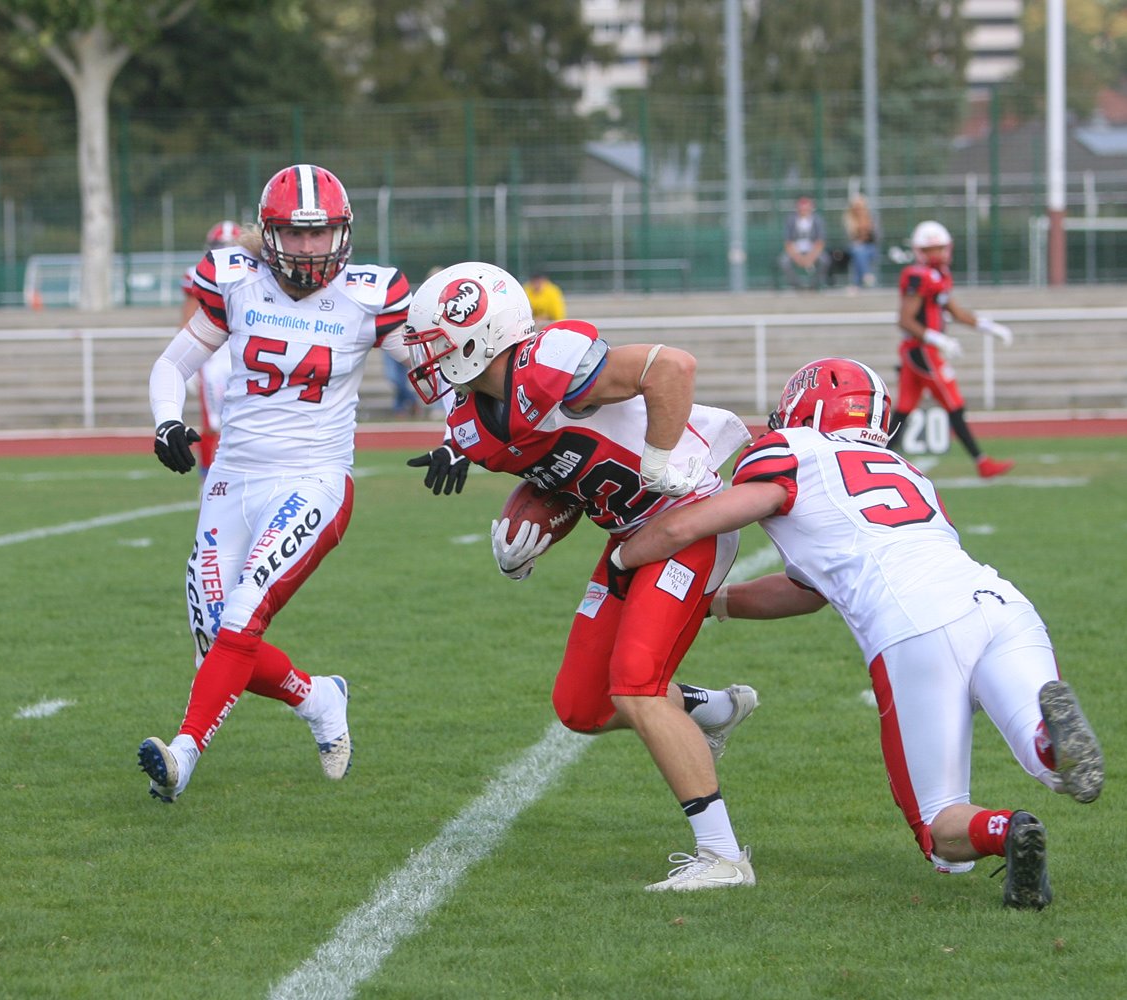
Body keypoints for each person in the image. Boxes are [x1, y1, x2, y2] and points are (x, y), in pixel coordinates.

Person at [613, 357, 1104, 909]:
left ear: (806, 405)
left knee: (939, 825)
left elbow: (690, 524)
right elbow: (808, 590)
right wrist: (716, 603)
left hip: (914, 628)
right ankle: (1050, 742)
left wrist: (626, 558)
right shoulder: (907, 471)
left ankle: (1007, 828)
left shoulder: (789, 450)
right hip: (1003, 606)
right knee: (1049, 760)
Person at [403, 261, 762, 891]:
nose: (426, 356)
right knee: (581, 706)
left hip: (689, 519)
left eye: (436, 340)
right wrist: (526, 539)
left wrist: (658, 461)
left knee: (637, 686)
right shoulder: (472, 424)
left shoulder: (548, 362)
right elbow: (564, 483)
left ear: (482, 332)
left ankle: (723, 856)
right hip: (631, 537)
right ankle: (710, 708)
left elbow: (672, 368)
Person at [140, 163, 441, 803]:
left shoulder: (370, 294)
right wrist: (167, 422)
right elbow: (172, 365)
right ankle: (319, 698)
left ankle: (183, 755)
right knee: (215, 639)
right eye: (296, 233)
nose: (308, 247)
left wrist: (457, 435)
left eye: (319, 232)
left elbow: (435, 373)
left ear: (343, 232)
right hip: (231, 480)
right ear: (269, 234)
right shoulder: (237, 281)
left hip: (313, 477)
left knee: (242, 615)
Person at [893, 220, 1015, 478]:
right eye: (933, 249)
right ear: (921, 251)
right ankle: (982, 462)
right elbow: (905, 320)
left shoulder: (940, 275)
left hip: (920, 351)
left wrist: (989, 327)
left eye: (941, 248)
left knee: (903, 411)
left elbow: (956, 312)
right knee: (954, 404)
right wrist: (939, 341)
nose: (939, 253)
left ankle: (872, 458)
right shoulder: (917, 275)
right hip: (922, 351)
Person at [180, 221, 244, 470]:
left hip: (244, 354)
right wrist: (187, 361)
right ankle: (207, 479)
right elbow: (188, 320)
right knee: (213, 423)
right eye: (221, 246)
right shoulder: (199, 274)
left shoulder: (258, 275)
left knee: (246, 423)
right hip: (213, 356)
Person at [778, 196, 830, 291]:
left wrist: (810, 258)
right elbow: (788, 242)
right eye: (801, 208)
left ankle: (814, 285)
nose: (804, 210)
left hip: (813, 249)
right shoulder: (791, 219)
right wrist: (798, 258)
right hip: (795, 249)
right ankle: (797, 285)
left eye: (806, 208)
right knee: (784, 261)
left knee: (825, 260)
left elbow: (820, 242)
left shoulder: (817, 220)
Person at [843, 194, 880, 290]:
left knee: (859, 253)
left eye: (860, 207)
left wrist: (867, 232)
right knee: (858, 251)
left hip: (870, 248)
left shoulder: (871, 218)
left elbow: (876, 237)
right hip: (853, 248)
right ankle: (866, 275)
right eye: (856, 207)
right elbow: (850, 239)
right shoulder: (849, 220)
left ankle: (856, 284)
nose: (859, 210)